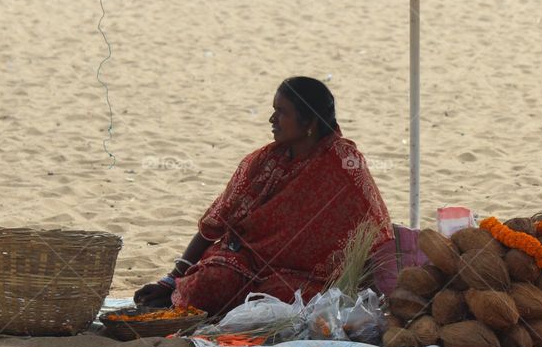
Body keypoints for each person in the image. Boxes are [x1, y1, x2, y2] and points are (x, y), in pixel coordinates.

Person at [134, 76, 393, 317]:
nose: (272, 119)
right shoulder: (265, 162)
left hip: (305, 277)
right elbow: (216, 221)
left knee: (289, 301)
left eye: (282, 112)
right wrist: (170, 279)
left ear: (309, 123)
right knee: (206, 286)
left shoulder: (344, 164)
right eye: (274, 110)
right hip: (244, 263)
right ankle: (184, 295)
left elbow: (374, 230)